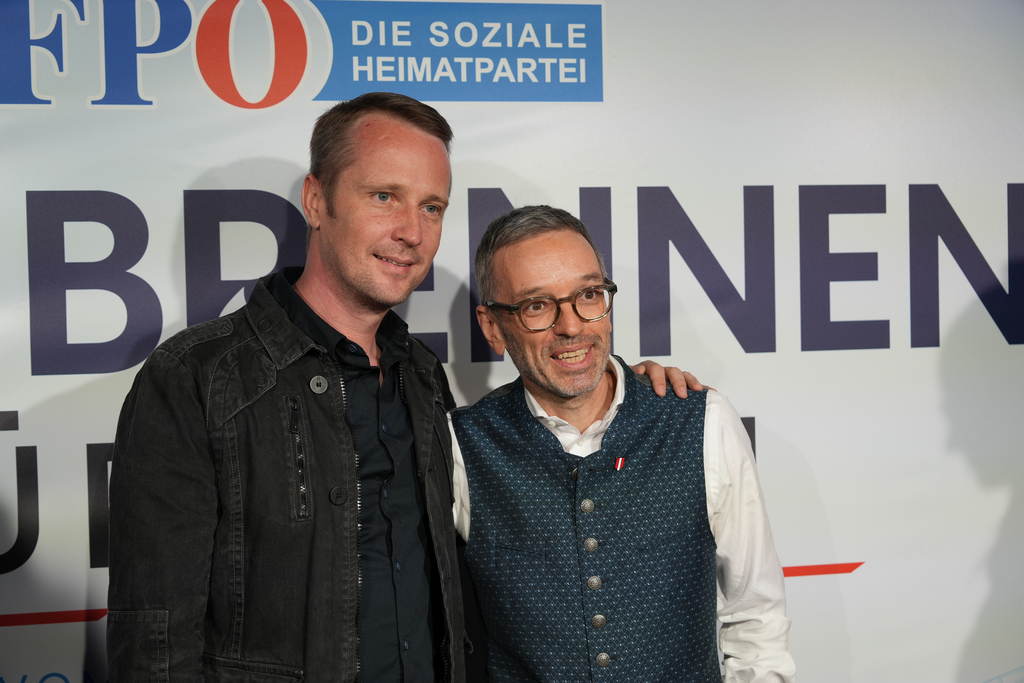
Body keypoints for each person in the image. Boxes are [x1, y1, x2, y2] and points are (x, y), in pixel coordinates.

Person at [106, 93, 698, 682]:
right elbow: (155, 647)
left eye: (432, 207)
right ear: (316, 201)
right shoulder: (197, 378)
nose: (412, 232)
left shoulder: (420, 373)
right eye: (384, 197)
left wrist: (626, 390)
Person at [451, 205, 796, 682]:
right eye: (537, 306)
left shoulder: (703, 421)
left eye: (588, 295)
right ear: (493, 327)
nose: (572, 326)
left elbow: (756, 619)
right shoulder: (457, 446)